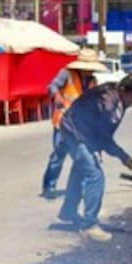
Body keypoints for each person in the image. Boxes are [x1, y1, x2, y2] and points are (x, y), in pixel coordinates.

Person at [54, 73, 132, 242]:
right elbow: (104, 137)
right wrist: (122, 155)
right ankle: (89, 225)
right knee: (95, 176)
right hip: (74, 131)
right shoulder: (109, 103)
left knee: (81, 170)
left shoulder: (117, 95)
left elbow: (102, 132)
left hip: (83, 131)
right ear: (125, 90)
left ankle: (68, 210)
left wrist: (119, 154)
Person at [40, 48, 105, 199]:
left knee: (81, 156)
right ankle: (49, 186)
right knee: (58, 155)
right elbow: (52, 86)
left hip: (80, 126)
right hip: (62, 122)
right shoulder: (67, 74)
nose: (89, 72)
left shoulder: (93, 82)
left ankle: (80, 188)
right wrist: (57, 96)